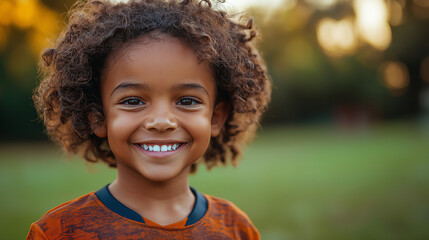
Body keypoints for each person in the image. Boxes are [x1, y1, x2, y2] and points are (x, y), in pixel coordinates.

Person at [27, 0, 271, 239]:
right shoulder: (58, 232)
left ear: (215, 118)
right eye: (133, 101)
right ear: (98, 118)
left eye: (187, 101)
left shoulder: (236, 229)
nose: (161, 121)